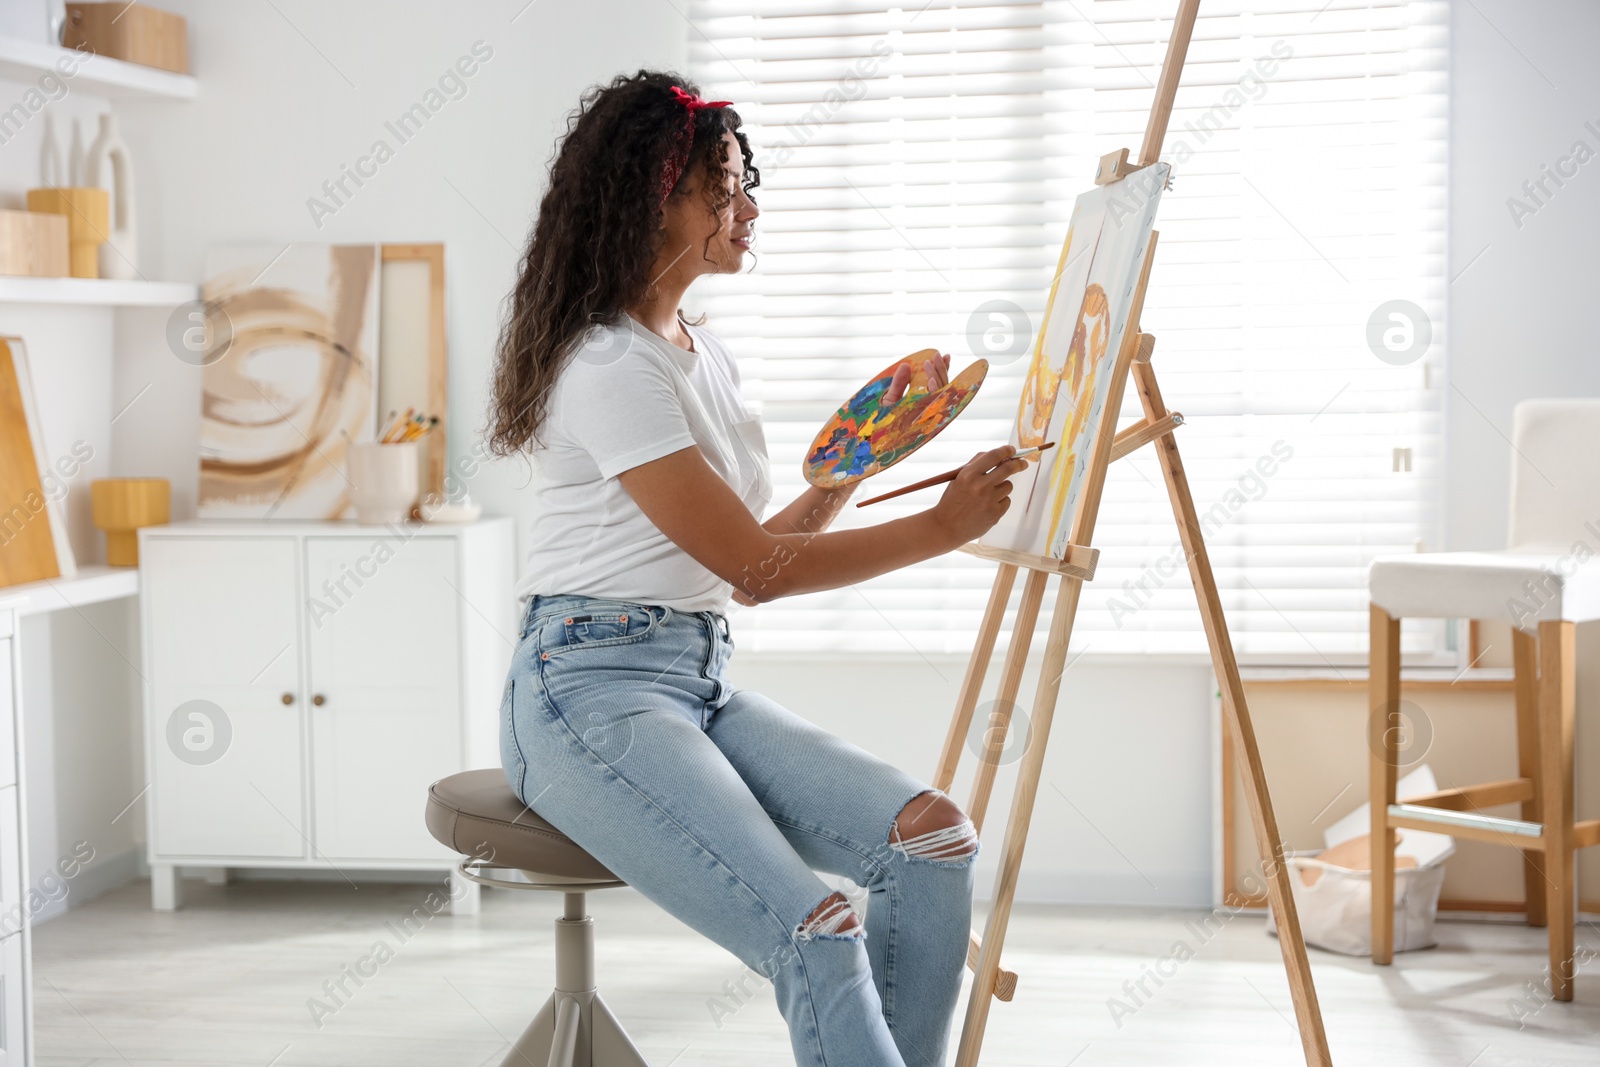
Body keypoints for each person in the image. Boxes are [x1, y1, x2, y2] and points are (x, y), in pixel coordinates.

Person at [485, 70, 1025, 1067]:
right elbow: (758, 566)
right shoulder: (609, 366)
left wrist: (855, 467)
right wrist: (944, 528)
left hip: (695, 672)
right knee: (814, 928)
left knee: (931, 836)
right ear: (658, 198)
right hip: (585, 689)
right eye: (725, 188)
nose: (749, 208)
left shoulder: (700, 351)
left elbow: (735, 565)